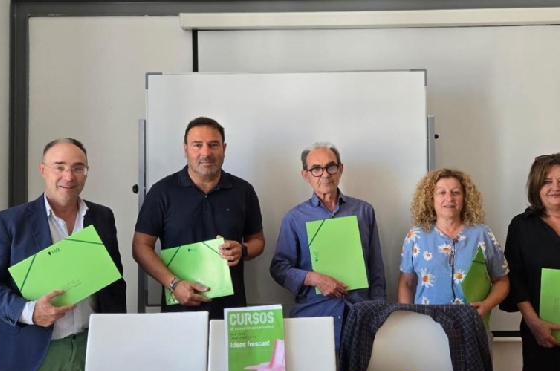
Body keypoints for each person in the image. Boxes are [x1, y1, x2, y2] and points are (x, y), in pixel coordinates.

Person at [0, 138, 127, 371]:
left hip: (92, 350)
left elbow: (114, 282)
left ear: (87, 172)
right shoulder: (9, 222)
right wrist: (28, 311)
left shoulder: (102, 217)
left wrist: (118, 339)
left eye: (78, 168)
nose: (69, 176)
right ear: (43, 170)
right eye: (60, 167)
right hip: (34, 352)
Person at [132, 117, 265, 319]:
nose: (206, 153)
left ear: (224, 148)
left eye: (213, 145)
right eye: (197, 145)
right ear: (185, 149)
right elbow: (140, 246)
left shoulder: (243, 191)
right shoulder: (162, 192)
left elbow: (258, 241)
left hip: (232, 312)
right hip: (178, 312)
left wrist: (243, 249)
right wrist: (173, 284)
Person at [270, 142, 386, 350]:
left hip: (359, 315)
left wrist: (377, 311)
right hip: (314, 315)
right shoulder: (295, 218)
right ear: (305, 175)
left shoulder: (363, 211)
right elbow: (279, 268)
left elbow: (375, 267)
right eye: (316, 169)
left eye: (331, 167)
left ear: (340, 170)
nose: (325, 174)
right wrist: (314, 278)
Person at [398, 169, 509, 319]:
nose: (449, 198)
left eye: (455, 192)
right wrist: (408, 317)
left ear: (465, 198)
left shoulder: (482, 234)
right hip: (426, 325)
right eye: (441, 192)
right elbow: (406, 283)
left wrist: (486, 305)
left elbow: (502, 281)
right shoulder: (416, 236)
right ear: (431, 199)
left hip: (471, 323)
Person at [502, 153, 560, 371]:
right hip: (539, 331)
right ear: (536, 186)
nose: (555, 187)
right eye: (547, 181)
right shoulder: (521, 226)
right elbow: (516, 278)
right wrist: (534, 323)